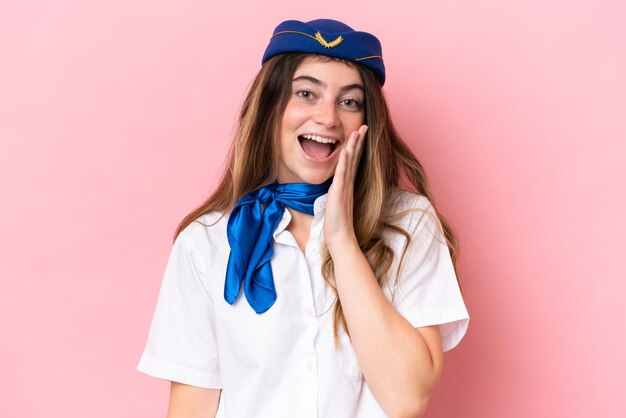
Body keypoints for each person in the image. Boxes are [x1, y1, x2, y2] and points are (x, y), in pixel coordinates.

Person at [137, 18, 469, 418]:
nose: (328, 118)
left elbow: (407, 398)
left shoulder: (408, 224)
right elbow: (191, 408)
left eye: (349, 101)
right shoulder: (203, 242)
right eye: (306, 93)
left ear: (367, 123)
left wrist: (343, 241)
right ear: (270, 108)